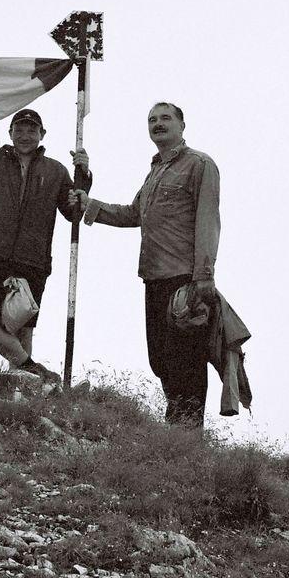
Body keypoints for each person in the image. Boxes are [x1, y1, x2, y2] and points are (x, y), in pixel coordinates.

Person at [0, 47, 91, 384]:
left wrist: (85, 177)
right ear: (10, 133)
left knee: (22, 328)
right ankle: (35, 371)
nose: (25, 135)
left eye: (31, 130)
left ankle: (26, 391)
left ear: (42, 135)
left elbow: (73, 212)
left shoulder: (57, 171)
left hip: (34, 260)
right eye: (19, 129)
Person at [73, 102, 221, 426]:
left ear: (182, 125)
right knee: (161, 359)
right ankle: (176, 425)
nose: (158, 123)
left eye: (166, 118)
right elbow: (133, 214)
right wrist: (90, 205)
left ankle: (187, 432)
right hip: (153, 277)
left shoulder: (199, 164)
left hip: (185, 279)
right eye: (152, 119)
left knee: (186, 359)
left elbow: (208, 220)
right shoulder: (155, 172)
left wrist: (203, 277)